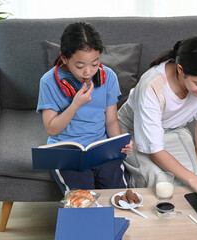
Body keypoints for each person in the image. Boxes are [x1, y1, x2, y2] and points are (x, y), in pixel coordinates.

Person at [118, 34, 197, 199]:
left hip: (174, 130)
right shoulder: (152, 85)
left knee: (194, 171)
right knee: (160, 181)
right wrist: (196, 181)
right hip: (134, 132)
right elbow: (154, 149)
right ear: (181, 70)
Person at [36, 22, 132, 193]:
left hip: (100, 149)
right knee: (83, 198)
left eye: (95, 64)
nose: (88, 72)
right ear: (64, 58)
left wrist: (120, 144)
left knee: (119, 195)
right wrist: (75, 104)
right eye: (80, 66)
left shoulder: (108, 77)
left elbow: (111, 121)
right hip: (67, 152)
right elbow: (52, 129)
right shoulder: (48, 81)